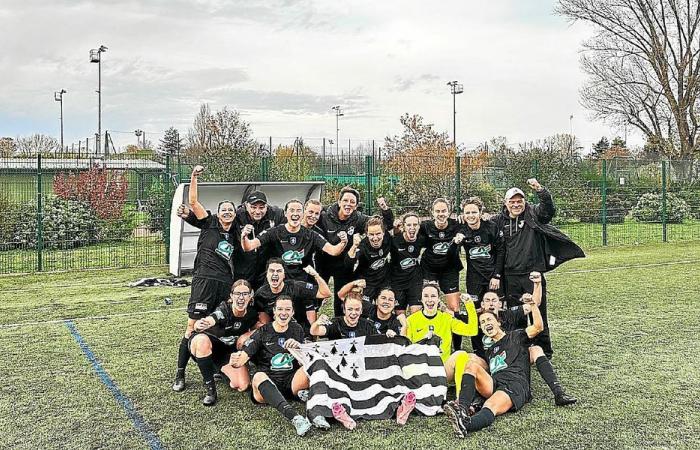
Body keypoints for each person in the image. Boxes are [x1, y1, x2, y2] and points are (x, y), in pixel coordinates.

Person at [491, 178, 585, 358]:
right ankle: (519, 350)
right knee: (515, 315)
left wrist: (541, 190)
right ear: (505, 203)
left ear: (525, 202)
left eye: (520, 201)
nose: (516, 205)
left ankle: (544, 351)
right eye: (512, 201)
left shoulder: (533, 214)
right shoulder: (498, 221)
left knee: (537, 313)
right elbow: (483, 226)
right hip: (510, 276)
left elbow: (548, 210)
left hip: (533, 275)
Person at [172, 165, 238, 393]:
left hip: (225, 285)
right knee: (192, 326)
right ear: (218, 213)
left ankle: (215, 366)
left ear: (235, 214)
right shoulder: (209, 222)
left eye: (231, 210)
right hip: (203, 282)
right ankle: (180, 373)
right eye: (224, 209)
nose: (227, 212)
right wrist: (194, 176)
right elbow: (193, 202)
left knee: (217, 325)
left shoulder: (236, 233)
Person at [442, 299, 545, 437]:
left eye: (489, 319)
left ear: (499, 322)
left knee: (490, 406)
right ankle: (462, 408)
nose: (486, 324)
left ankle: (466, 425)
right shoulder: (490, 350)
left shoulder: (516, 336)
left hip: (514, 384)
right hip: (495, 383)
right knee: (471, 365)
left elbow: (538, 326)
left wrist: (532, 305)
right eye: (482, 323)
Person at [230, 296, 323, 435]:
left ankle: (318, 410)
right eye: (280, 309)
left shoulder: (297, 329)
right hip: (267, 385)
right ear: (274, 311)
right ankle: (295, 418)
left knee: (315, 365)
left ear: (292, 312)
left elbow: (305, 360)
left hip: (291, 382)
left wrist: (299, 348)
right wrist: (235, 361)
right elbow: (243, 357)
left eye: (287, 309)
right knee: (258, 376)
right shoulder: (263, 331)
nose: (283, 313)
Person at [479, 273, 576, 406]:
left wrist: (537, 284)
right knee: (470, 360)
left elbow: (534, 304)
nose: (491, 303)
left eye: (494, 300)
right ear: (482, 304)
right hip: (489, 361)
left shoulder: (509, 314)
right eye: (487, 300)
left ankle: (558, 393)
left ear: (500, 304)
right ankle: (466, 402)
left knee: (536, 349)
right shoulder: (476, 319)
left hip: (513, 357)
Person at [316, 187, 394, 316]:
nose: (348, 204)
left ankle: (340, 329)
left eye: (352, 202)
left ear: (356, 205)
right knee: (318, 295)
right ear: (339, 201)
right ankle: (309, 328)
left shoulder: (358, 218)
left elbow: (382, 225)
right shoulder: (325, 215)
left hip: (344, 264)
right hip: (323, 261)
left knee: (341, 296)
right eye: (345, 200)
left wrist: (385, 209)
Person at [188, 280, 261, 405]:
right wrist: (201, 324)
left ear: (250, 296)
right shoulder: (224, 309)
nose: (241, 298)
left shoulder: (252, 314)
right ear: (231, 296)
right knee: (202, 341)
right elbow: (213, 318)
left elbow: (261, 328)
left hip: (226, 353)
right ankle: (211, 389)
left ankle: (217, 370)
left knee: (242, 385)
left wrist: (247, 334)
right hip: (207, 346)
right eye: (238, 294)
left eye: (245, 294)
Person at [404, 283, 479, 403]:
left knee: (461, 354)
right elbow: (406, 350)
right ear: (421, 299)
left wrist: (469, 304)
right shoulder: (411, 321)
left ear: (438, 299)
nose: (429, 299)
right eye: (426, 296)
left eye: (433, 296)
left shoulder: (446, 318)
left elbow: (472, 330)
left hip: (442, 370)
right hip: (420, 371)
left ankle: (460, 400)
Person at [241, 199, 347, 282]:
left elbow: (333, 251)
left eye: (298, 211)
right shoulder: (274, 232)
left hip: (302, 282)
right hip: (279, 282)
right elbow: (249, 246)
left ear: (302, 214)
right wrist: (244, 236)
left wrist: (343, 242)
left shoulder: (311, 234)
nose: (295, 213)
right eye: (292, 210)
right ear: (285, 213)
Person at [460, 196, 505, 357]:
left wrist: (497, 276)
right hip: (473, 279)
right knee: (476, 313)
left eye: (474, 212)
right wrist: (457, 241)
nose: (471, 215)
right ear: (463, 215)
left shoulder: (491, 227)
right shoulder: (461, 230)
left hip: (492, 278)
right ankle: (479, 351)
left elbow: (501, 251)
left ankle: (500, 346)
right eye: (467, 213)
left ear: (480, 212)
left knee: (495, 311)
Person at [420, 198, 467, 350]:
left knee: (454, 308)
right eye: (438, 211)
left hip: (450, 269)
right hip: (430, 268)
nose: (441, 214)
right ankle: (426, 342)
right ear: (432, 213)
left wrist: (463, 220)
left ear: (449, 212)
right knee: (429, 303)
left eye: (444, 211)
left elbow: (472, 221)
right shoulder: (425, 226)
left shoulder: (457, 224)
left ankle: (457, 347)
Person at [254, 258, 330, 337]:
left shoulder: (295, 287)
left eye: (279, 271)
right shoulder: (261, 294)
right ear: (267, 274)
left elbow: (325, 294)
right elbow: (264, 322)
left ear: (284, 275)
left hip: (301, 330)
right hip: (277, 333)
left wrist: (316, 275)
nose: (275, 274)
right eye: (272, 271)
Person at [234, 190, 285, 289]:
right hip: (242, 268)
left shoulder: (276, 215)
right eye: (253, 207)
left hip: (265, 269)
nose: (257, 211)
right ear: (246, 205)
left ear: (267, 206)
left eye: (261, 208)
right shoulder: (237, 216)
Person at [344, 215, 392, 301]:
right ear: (366, 234)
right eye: (371, 234)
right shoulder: (362, 246)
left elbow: (390, 220)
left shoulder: (387, 238)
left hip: (384, 281)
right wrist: (354, 246)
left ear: (383, 233)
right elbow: (348, 263)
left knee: (386, 305)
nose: (375, 238)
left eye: (378, 234)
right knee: (365, 310)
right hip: (367, 283)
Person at [390, 212, 426, 315]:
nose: (412, 227)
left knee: (416, 314)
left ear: (419, 226)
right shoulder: (395, 240)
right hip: (398, 282)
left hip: (415, 280)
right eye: (409, 225)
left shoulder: (421, 239)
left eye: (415, 225)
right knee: (400, 317)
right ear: (403, 226)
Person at [310, 293, 380, 339]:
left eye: (357, 309)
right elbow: (314, 332)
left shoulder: (368, 325)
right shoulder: (335, 323)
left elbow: (380, 342)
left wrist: (389, 335)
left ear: (361, 311)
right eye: (350, 309)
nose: (353, 313)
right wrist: (317, 323)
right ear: (344, 310)